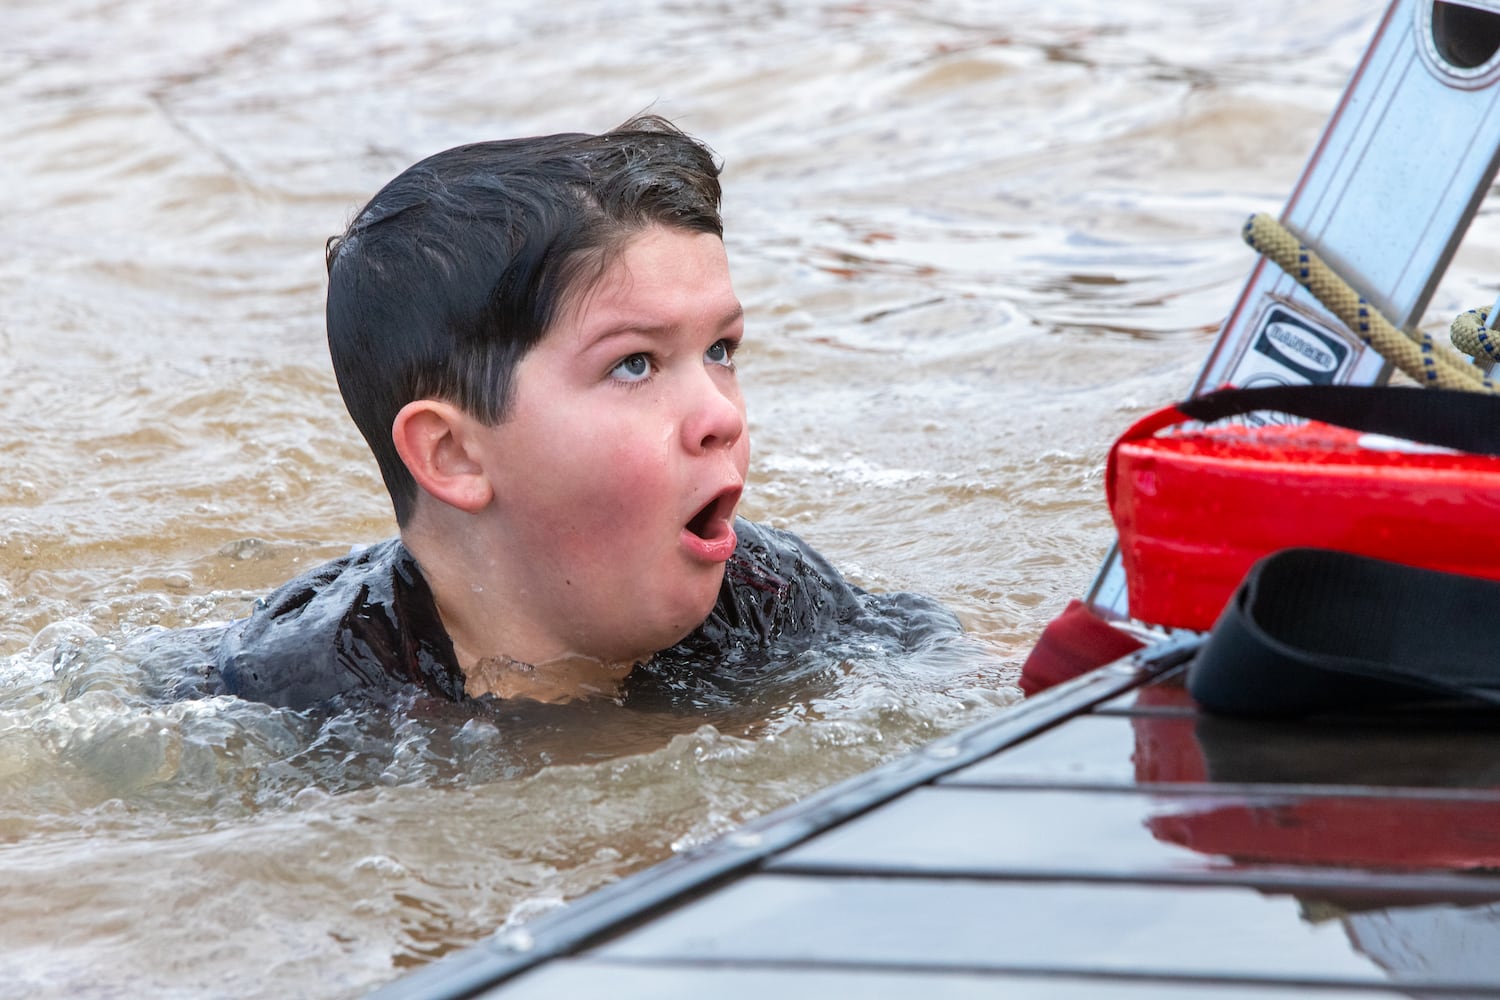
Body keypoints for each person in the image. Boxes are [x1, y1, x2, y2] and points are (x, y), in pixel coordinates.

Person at [197, 115, 959, 713]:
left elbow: (971, 679)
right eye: (635, 364)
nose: (719, 417)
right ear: (453, 454)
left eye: (720, 350)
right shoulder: (296, 700)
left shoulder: (768, 598)